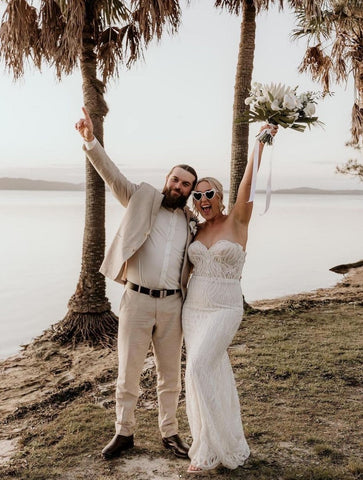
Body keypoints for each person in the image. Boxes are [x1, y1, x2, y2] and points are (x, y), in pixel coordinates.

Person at [75, 107, 198, 460]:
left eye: (186, 184)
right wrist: (90, 141)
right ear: (167, 179)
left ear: (190, 190)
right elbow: (111, 176)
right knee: (128, 372)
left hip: (174, 304)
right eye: (175, 179)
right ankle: (124, 432)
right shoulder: (141, 196)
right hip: (137, 300)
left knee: (170, 375)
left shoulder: (190, 221)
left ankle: (170, 433)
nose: (179, 186)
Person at [182, 124, 278, 473]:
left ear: (221, 197)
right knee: (209, 372)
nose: (204, 201)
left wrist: (260, 146)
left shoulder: (238, 220)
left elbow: (248, 186)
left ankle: (220, 444)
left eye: (209, 195)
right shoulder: (194, 229)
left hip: (224, 308)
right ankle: (208, 445)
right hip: (192, 311)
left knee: (197, 367)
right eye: (198, 197)